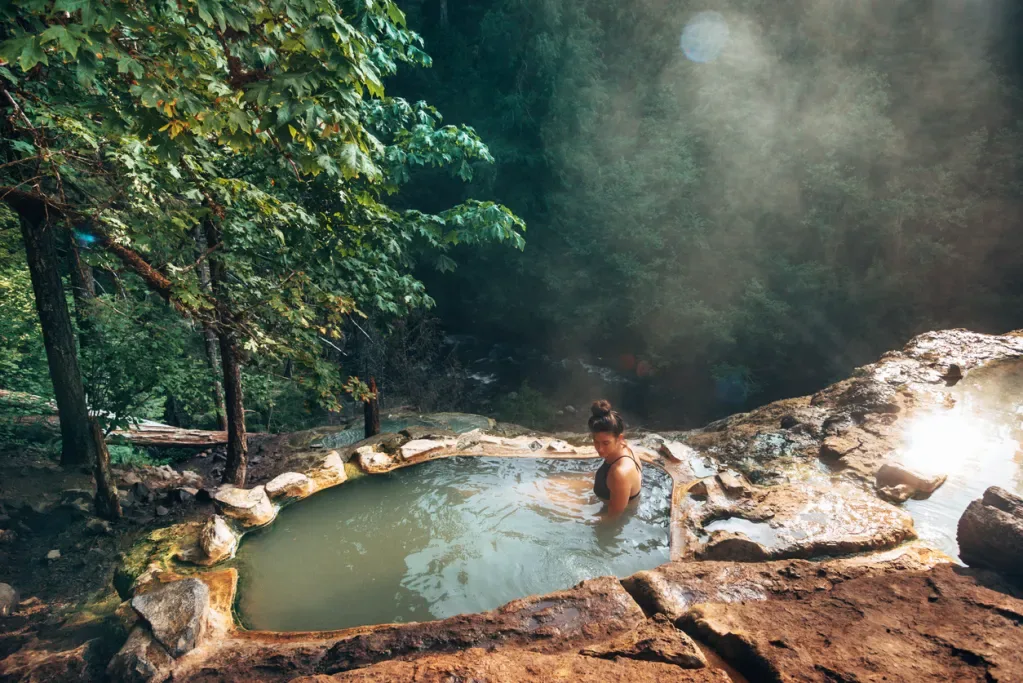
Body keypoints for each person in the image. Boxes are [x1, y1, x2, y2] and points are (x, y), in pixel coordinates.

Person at [589, 399, 642, 516]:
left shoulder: (619, 474)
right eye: (596, 442)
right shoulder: (628, 449)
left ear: (620, 438)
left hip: (611, 517)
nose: (600, 448)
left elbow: (612, 519)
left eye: (606, 443)